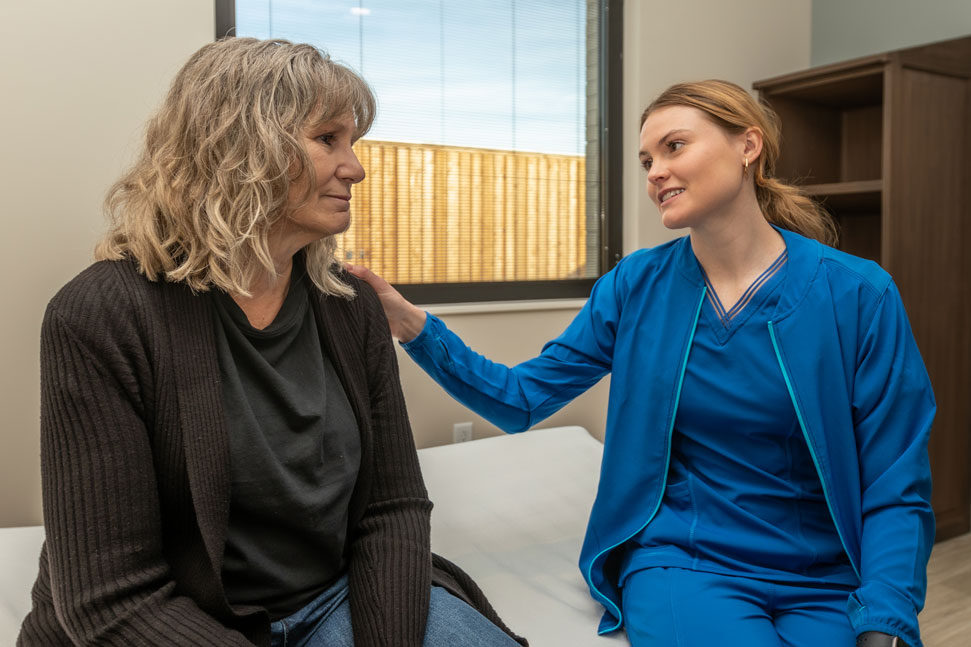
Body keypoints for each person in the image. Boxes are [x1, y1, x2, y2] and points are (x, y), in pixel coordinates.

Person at [348, 80, 936, 647]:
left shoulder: (858, 294)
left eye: (674, 146)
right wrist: (411, 325)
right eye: (646, 159)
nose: (656, 172)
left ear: (748, 146)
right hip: (688, 564)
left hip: (828, 574)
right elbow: (520, 399)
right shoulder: (636, 285)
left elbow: (895, 478)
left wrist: (885, 615)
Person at [18, 38, 526, 647]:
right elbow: (112, 602)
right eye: (327, 139)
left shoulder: (350, 305)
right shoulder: (101, 315)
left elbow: (392, 509)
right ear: (240, 148)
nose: (356, 168)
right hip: (176, 618)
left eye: (353, 143)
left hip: (333, 597)